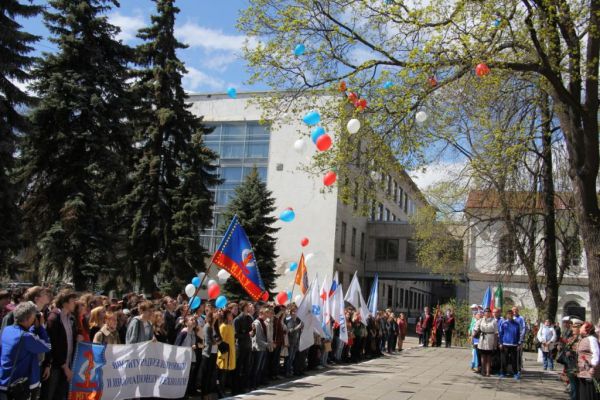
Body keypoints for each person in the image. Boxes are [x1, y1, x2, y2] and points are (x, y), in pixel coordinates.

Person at [0, 302, 51, 400]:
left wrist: (32, 328)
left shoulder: (7, 330)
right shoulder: (25, 337)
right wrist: (40, 327)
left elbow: (26, 340)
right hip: (17, 387)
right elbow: (47, 346)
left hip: (4, 381)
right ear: (29, 317)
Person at [41, 289, 78, 400]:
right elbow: (53, 345)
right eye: (72, 301)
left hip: (67, 365)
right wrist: (64, 366)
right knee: (49, 395)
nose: (75, 303)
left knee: (61, 395)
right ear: (65, 302)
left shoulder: (70, 318)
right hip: (56, 367)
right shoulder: (54, 318)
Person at [175, 315, 200, 397]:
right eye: (191, 320)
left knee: (189, 379)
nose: (194, 321)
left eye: (194, 320)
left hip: (191, 359)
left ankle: (186, 395)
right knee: (183, 379)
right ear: (186, 323)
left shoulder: (193, 332)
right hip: (183, 360)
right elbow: (177, 346)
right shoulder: (184, 333)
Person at [232, 301, 253, 394]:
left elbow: (251, 331)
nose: (249, 307)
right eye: (248, 305)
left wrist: (252, 332)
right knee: (238, 368)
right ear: (244, 307)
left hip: (248, 345)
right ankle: (236, 388)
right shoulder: (237, 319)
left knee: (246, 367)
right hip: (240, 347)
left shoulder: (249, 318)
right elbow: (236, 335)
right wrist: (246, 334)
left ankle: (244, 386)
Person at [576, 322, 600, 400]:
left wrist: (593, 367)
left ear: (587, 329)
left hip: (590, 372)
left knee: (589, 395)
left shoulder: (592, 339)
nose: (580, 328)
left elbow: (596, 354)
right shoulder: (584, 339)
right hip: (583, 372)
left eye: (582, 327)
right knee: (583, 395)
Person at [200, 311, 219, 399]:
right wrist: (216, 342)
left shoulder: (214, 326)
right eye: (215, 315)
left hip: (214, 352)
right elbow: (208, 341)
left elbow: (218, 338)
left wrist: (217, 341)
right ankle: (204, 394)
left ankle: (208, 392)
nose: (217, 316)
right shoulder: (207, 326)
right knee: (206, 374)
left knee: (211, 373)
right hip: (208, 354)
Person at [217, 309, 235, 397]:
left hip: (230, 352)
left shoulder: (230, 326)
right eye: (230, 315)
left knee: (226, 373)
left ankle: (223, 390)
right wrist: (223, 354)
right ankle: (220, 392)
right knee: (222, 374)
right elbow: (221, 341)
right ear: (226, 316)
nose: (232, 316)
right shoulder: (223, 326)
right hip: (225, 353)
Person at [475, 308, 498, 377]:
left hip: (490, 338)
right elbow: (476, 329)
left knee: (489, 356)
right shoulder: (481, 320)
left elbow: (496, 333)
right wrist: (472, 336)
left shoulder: (494, 321)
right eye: (485, 311)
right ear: (484, 313)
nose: (487, 313)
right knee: (482, 356)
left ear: (490, 313)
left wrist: (495, 343)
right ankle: (483, 371)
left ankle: (488, 372)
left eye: (488, 311)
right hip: (482, 338)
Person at [499, 309, 522, 379]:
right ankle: (503, 373)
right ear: (506, 315)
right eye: (509, 314)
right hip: (505, 344)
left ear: (513, 315)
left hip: (514, 345)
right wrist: (500, 343)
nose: (510, 315)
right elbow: (501, 334)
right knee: (504, 360)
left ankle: (515, 373)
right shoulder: (503, 323)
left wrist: (519, 343)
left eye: (511, 314)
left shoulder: (517, 324)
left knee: (514, 360)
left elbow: (519, 334)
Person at [250, 308, 268, 390]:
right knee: (256, 367)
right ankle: (253, 384)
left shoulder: (263, 323)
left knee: (261, 367)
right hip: (258, 348)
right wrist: (267, 344)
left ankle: (257, 382)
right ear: (260, 314)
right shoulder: (257, 323)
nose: (267, 315)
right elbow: (257, 338)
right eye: (265, 314)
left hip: (263, 347)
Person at [512, 306, 527, 371]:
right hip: (511, 339)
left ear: (518, 311)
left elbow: (523, 328)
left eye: (516, 310)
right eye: (513, 310)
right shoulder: (510, 317)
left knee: (519, 353)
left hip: (518, 339)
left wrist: (521, 338)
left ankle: (519, 367)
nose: (514, 311)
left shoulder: (521, 318)